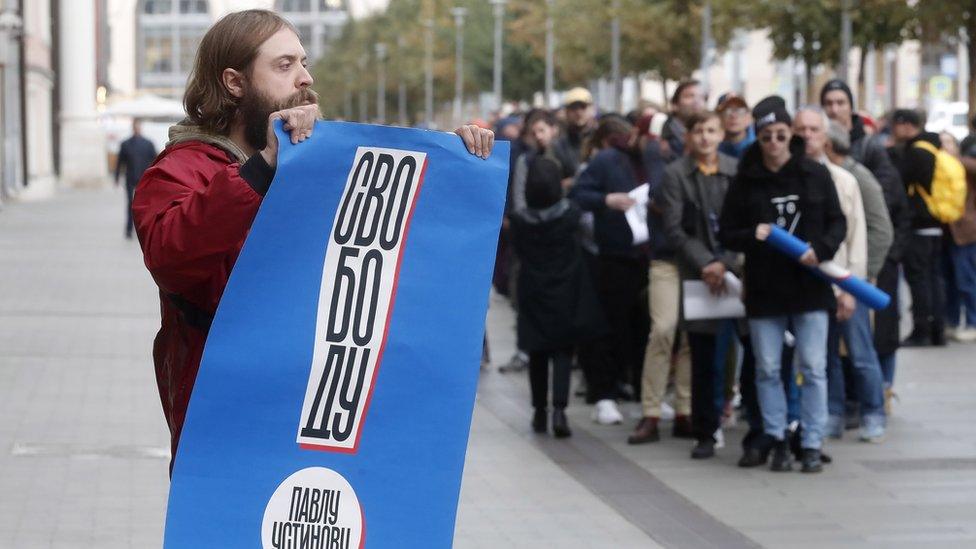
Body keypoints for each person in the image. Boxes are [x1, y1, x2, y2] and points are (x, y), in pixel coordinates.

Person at [132, 10, 495, 469]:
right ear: (234, 82)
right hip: (232, 423)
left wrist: (461, 167)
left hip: (325, 416)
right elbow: (170, 255)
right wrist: (261, 166)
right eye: (284, 66)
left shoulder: (327, 160)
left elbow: (402, 248)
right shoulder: (181, 169)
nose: (305, 78)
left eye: (303, 63)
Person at [719, 97, 847, 473]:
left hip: (808, 285)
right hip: (765, 288)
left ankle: (810, 440)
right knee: (768, 367)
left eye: (780, 135)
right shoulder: (747, 179)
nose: (774, 143)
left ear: (790, 135)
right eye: (766, 136)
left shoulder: (813, 173)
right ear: (757, 139)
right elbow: (727, 231)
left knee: (813, 366)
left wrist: (819, 249)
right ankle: (775, 436)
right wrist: (751, 235)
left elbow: (837, 222)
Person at [795, 107, 887, 443]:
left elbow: (858, 236)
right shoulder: (791, 178)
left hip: (845, 279)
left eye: (814, 130)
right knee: (826, 354)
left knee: (861, 353)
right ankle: (832, 412)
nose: (807, 136)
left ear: (826, 136)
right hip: (810, 284)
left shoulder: (845, 179)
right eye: (801, 129)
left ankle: (874, 411)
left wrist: (853, 285)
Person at [656, 111, 739, 458]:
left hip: (735, 270)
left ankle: (739, 416)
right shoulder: (676, 174)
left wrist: (727, 261)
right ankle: (705, 429)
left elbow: (746, 220)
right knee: (703, 355)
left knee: (739, 350)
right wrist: (707, 263)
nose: (705, 137)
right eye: (698, 131)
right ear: (688, 136)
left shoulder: (735, 170)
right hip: (698, 274)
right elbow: (675, 229)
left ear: (721, 134)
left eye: (711, 130)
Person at [822, 80, 909, 400]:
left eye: (840, 102)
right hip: (837, 266)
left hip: (867, 260)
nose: (835, 109)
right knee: (836, 349)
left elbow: (883, 215)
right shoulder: (822, 167)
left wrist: (866, 272)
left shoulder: (865, 156)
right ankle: (843, 405)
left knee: (869, 342)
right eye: (828, 103)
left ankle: (877, 401)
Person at [510, 157, 605, 438]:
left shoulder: (518, 222)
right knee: (563, 351)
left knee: (537, 351)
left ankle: (539, 411)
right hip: (567, 290)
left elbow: (516, 253)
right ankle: (560, 411)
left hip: (533, 292)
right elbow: (590, 240)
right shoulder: (571, 215)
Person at [571, 117, 652, 426]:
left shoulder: (654, 161)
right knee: (609, 326)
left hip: (645, 258)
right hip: (612, 258)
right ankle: (604, 394)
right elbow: (579, 195)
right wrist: (607, 200)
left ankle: (642, 393)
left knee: (642, 328)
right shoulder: (607, 161)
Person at [889, 109, 948, 347]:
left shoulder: (916, 152)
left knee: (919, 279)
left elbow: (900, 183)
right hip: (937, 223)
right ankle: (938, 330)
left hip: (919, 224)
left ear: (905, 125)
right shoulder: (934, 147)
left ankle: (922, 330)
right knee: (934, 278)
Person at [946, 116, 976, 342]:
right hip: (948, 230)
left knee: (966, 279)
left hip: (966, 229)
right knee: (952, 279)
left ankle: (973, 322)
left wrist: (955, 158)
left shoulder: (963, 162)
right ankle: (952, 320)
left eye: (948, 142)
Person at [114, 119, 157, 239]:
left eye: (138, 127)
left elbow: (155, 161)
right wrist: (116, 177)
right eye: (135, 127)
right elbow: (120, 162)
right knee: (130, 204)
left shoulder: (148, 143)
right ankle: (128, 229)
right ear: (133, 128)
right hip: (130, 177)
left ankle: (143, 229)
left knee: (144, 205)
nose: (137, 129)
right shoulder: (125, 144)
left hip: (144, 178)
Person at [661, 80, 705, 159]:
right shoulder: (662, 142)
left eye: (701, 97)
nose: (697, 101)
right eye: (689, 96)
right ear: (675, 105)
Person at [557, 87, 597, 171]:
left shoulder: (601, 140)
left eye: (583, 107)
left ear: (592, 109)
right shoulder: (558, 145)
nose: (578, 112)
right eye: (573, 108)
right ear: (566, 112)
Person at [717, 93, 755, 159]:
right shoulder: (713, 148)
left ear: (749, 117)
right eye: (727, 111)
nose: (733, 116)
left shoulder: (761, 147)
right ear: (720, 117)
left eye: (739, 111)